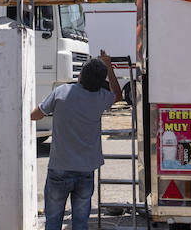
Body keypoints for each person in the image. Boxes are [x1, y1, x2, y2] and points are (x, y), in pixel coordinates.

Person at [30, 50, 122, 230]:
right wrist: (109, 66)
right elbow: (118, 94)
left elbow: (35, 115)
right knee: (80, 223)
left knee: (53, 221)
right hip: (86, 170)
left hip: (59, 168)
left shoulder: (62, 92)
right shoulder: (100, 98)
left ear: (81, 75)